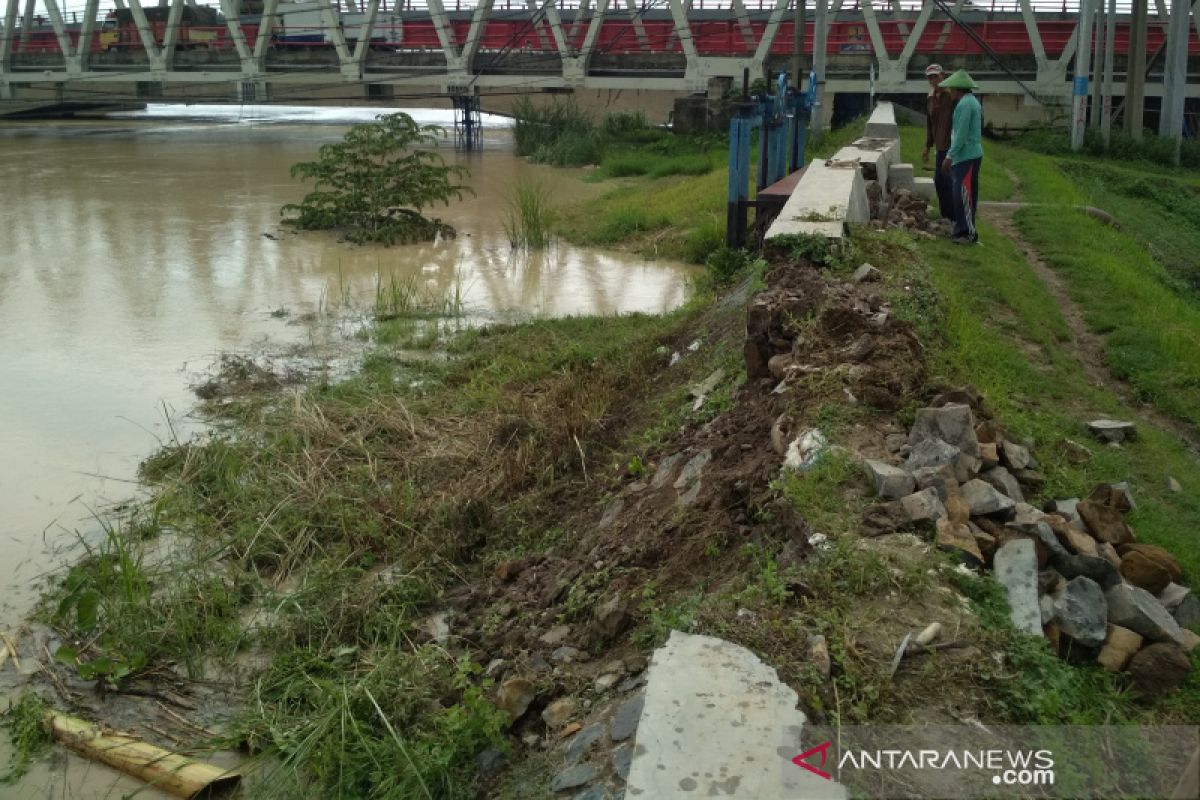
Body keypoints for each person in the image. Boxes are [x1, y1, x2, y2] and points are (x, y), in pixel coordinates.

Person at [940, 69, 983, 245]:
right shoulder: (970, 101)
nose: (949, 91)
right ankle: (961, 230)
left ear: (958, 88)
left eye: (951, 88)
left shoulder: (965, 104)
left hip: (966, 156)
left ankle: (967, 233)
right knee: (963, 194)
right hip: (967, 155)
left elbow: (961, 133)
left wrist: (950, 155)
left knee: (963, 195)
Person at [921, 64, 955, 222]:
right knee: (939, 180)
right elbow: (930, 123)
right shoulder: (930, 98)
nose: (933, 80)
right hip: (940, 146)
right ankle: (945, 213)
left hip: (952, 146)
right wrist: (927, 145)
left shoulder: (952, 96)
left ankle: (953, 215)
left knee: (948, 180)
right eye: (930, 77)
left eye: (935, 76)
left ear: (943, 75)